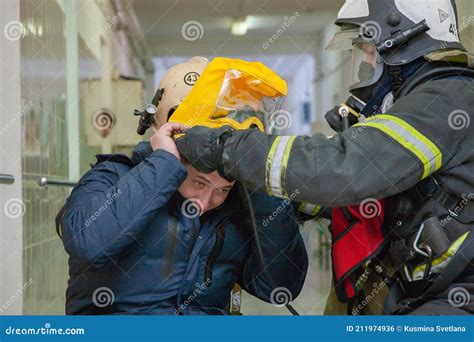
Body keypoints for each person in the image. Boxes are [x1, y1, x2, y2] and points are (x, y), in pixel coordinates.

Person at [175, 0, 474, 315]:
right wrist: (260, 193)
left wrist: (224, 148)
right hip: (424, 289)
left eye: (369, 50)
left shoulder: (447, 99)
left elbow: (346, 171)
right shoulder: (420, 100)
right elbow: (358, 202)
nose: (364, 64)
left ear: (403, 43)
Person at [56, 58, 308, 315]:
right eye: (199, 182)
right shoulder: (111, 177)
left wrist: (263, 188)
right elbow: (87, 244)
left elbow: (281, 287)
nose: (204, 202)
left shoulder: (240, 205)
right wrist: (162, 166)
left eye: (223, 189)